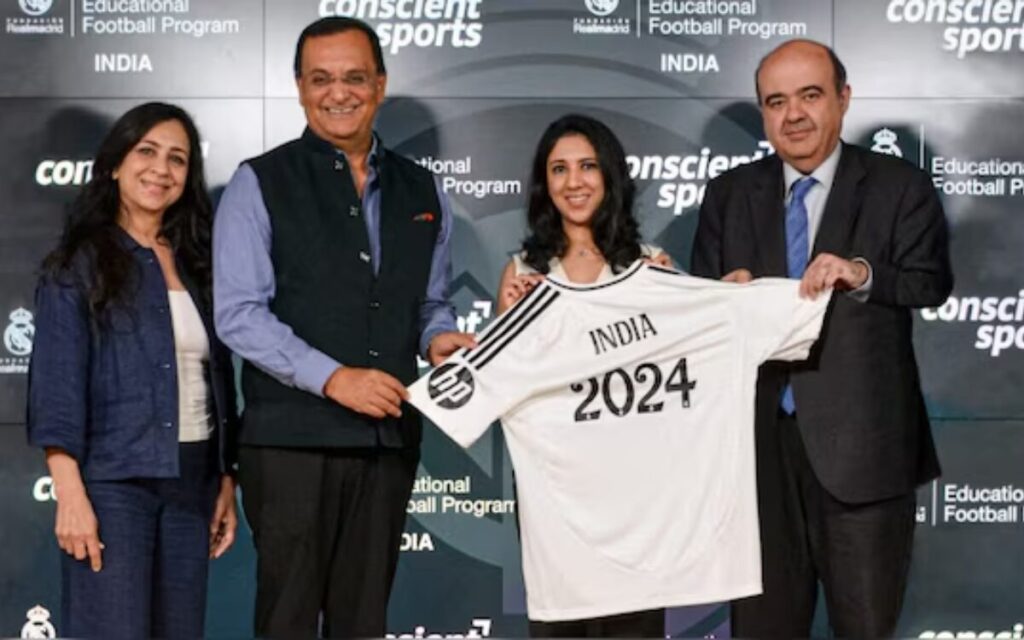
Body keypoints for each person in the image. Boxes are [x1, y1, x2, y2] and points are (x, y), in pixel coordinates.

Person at [213, 16, 473, 637]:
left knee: (364, 623)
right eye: (321, 78)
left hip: (387, 443)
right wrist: (334, 378)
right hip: (290, 446)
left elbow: (430, 304)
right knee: (288, 622)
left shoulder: (423, 189)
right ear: (300, 88)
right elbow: (238, 314)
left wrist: (439, 338)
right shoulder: (258, 182)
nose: (339, 93)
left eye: (354, 78)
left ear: (380, 84)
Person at [690, 39, 953, 637]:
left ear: (843, 98)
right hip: (755, 465)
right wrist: (722, 300)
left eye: (810, 96)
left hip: (864, 458)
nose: (793, 115)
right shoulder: (729, 195)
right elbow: (705, 318)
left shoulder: (898, 185)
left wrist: (861, 274)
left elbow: (931, 282)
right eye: (776, 102)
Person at [26, 102, 239, 640]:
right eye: (147, 152)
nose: (160, 170)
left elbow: (218, 380)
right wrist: (70, 495)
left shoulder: (199, 262)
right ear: (117, 163)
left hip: (193, 485)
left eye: (177, 159)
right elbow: (56, 388)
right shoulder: (78, 263)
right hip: (114, 487)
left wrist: (225, 479)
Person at [498, 114, 670, 637]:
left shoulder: (651, 266)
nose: (574, 182)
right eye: (559, 169)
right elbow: (503, 384)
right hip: (552, 487)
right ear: (544, 184)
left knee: (634, 625)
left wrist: (666, 300)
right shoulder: (523, 273)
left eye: (588, 166)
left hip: (634, 488)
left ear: (609, 175)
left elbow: (676, 378)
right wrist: (508, 320)